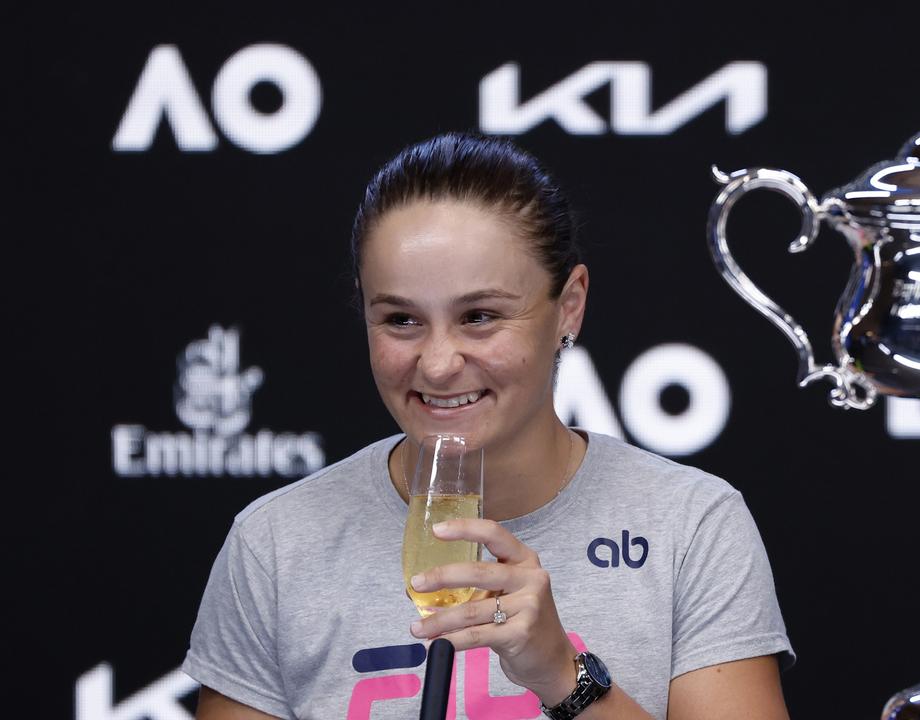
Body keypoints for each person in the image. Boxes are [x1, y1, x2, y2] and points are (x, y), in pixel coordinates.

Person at [182, 132, 794, 720]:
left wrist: (564, 676)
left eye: (479, 316)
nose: (439, 363)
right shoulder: (275, 546)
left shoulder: (692, 527)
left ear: (569, 306)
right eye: (400, 320)